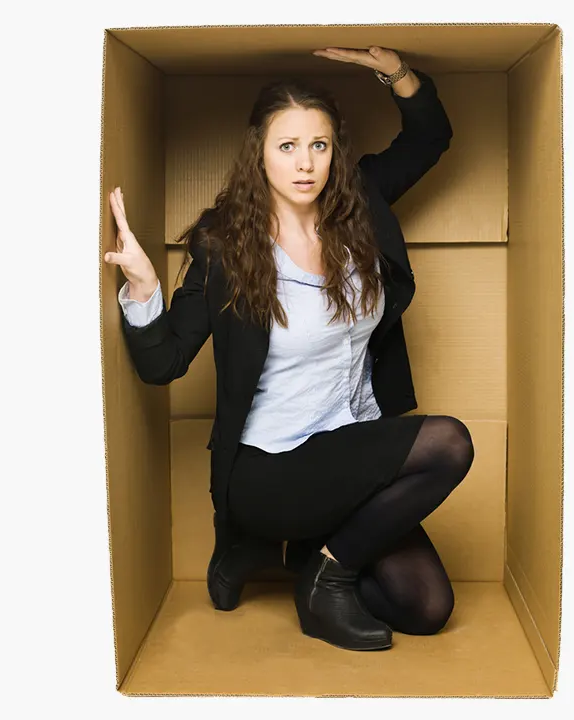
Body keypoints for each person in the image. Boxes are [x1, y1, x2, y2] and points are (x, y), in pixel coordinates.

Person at [103, 46, 474, 652]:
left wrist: (396, 72)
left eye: (319, 145)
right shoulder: (225, 244)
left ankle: (300, 555)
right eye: (287, 146)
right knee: (449, 442)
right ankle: (319, 575)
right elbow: (162, 363)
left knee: (425, 607)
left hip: (353, 448)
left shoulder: (359, 204)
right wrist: (144, 288)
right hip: (272, 468)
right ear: (260, 152)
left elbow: (430, 138)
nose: (305, 163)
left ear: (335, 151)